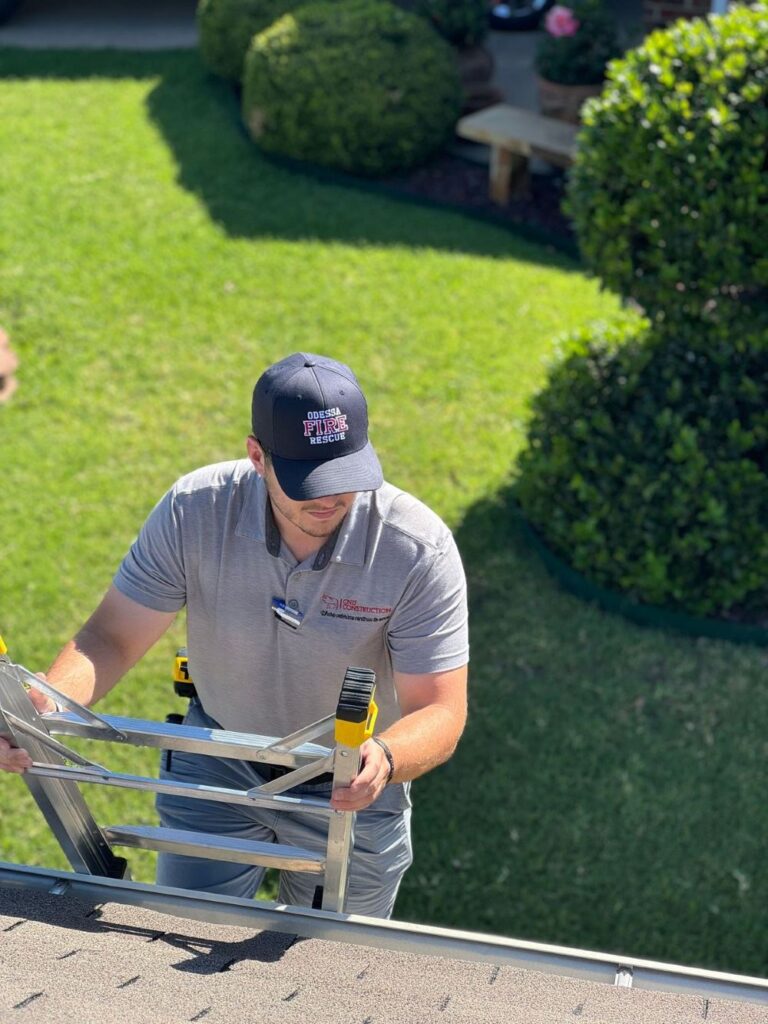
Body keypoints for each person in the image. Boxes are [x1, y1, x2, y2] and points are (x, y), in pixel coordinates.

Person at [0, 353, 469, 918]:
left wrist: (387, 759)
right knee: (183, 932)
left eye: (345, 476)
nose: (330, 499)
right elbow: (112, 638)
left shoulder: (416, 548)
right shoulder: (193, 510)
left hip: (349, 779)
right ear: (257, 457)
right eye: (307, 481)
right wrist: (46, 702)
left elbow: (441, 709)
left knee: (334, 970)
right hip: (218, 753)